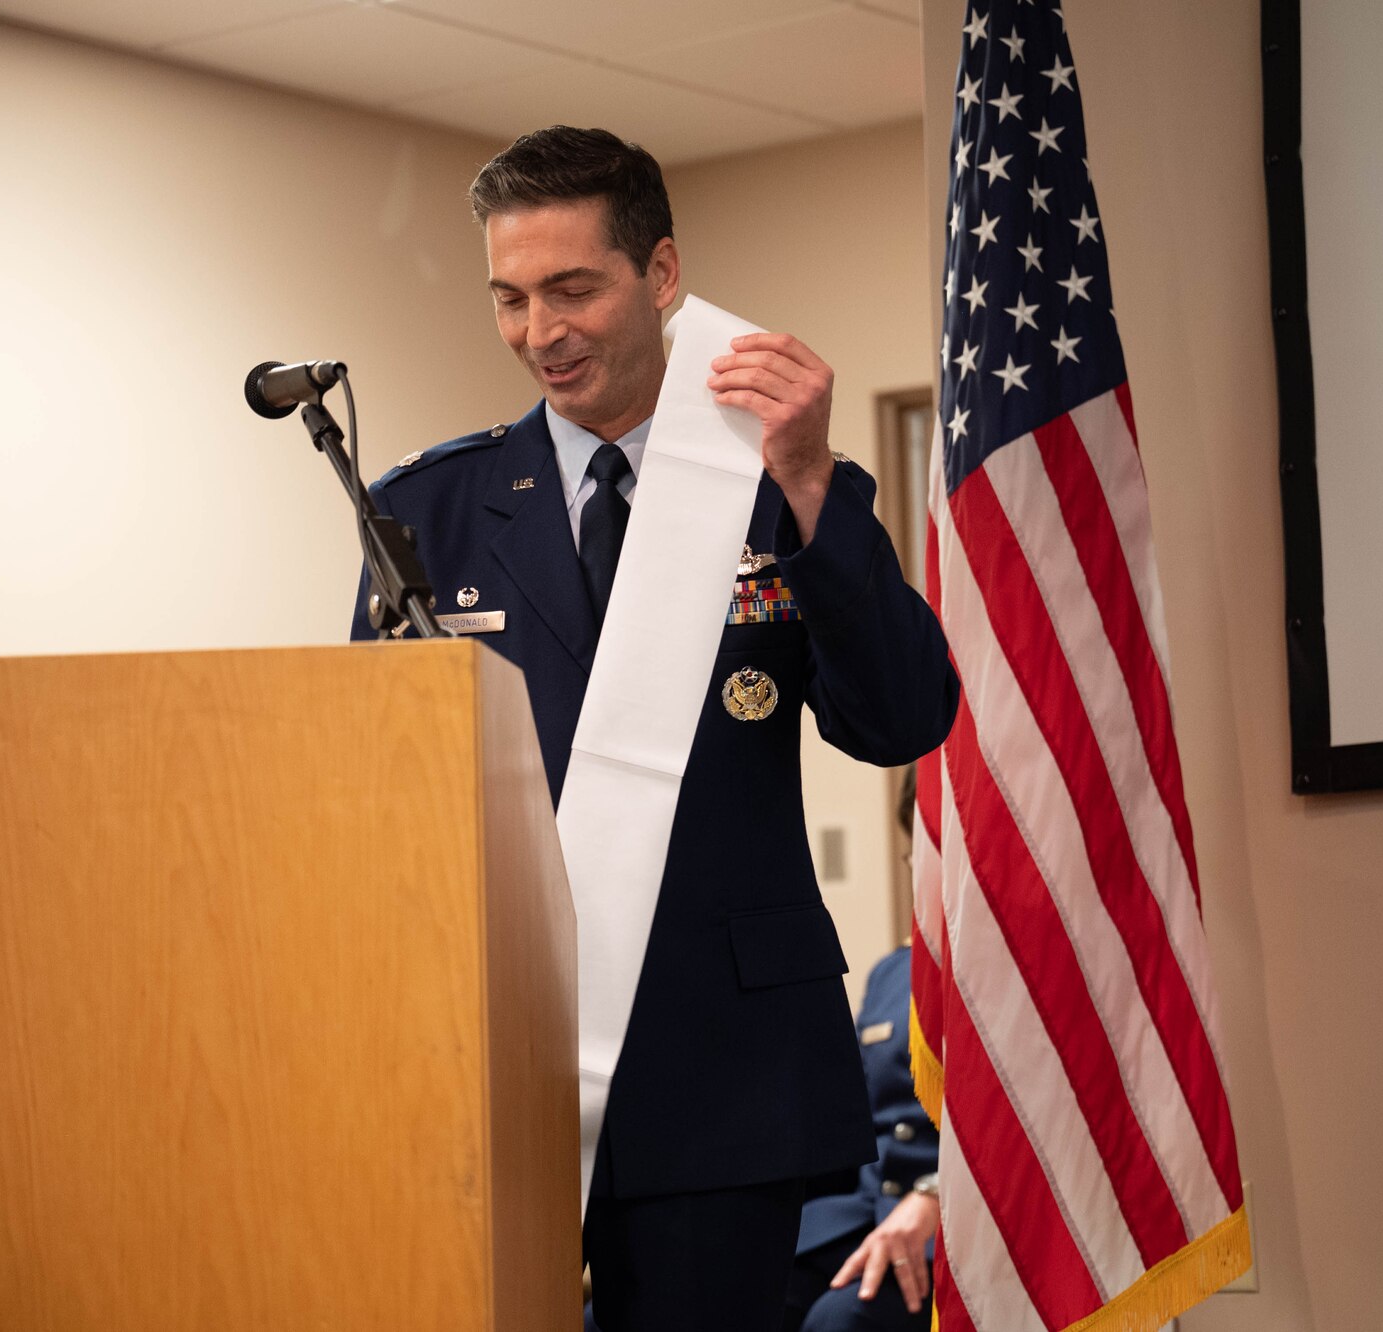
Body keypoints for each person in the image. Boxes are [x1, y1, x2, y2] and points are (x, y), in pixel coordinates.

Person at [350, 126, 958, 1332]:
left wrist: (806, 482)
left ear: (661, 273)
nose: (541, 332)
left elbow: (898, 720)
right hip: (494, 1051)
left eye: (573, 288)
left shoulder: (772, 480)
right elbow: (375, 790)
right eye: (510, 299)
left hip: (718, 1060)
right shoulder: (430, 509)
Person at [784, 945, 938, 1332]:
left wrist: (940, 1194)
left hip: (951, 1224)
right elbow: (853, 1113)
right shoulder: (893, 969)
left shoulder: (1021, 958)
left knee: (842, 1322)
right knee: (742, 1294)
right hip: (863, 1212)